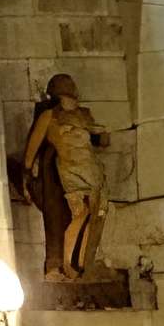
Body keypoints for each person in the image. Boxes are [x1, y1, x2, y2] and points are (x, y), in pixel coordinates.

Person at [20, 76, 109, 278]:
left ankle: (84, 263)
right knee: (80, 214)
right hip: (71, 171)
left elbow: (102, 140)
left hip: (92, 170)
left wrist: (100, 133)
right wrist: (26, 175)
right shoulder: (49, 116)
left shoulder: (83, 115)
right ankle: (70, 265)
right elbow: (31, 150)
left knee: (95, 216)